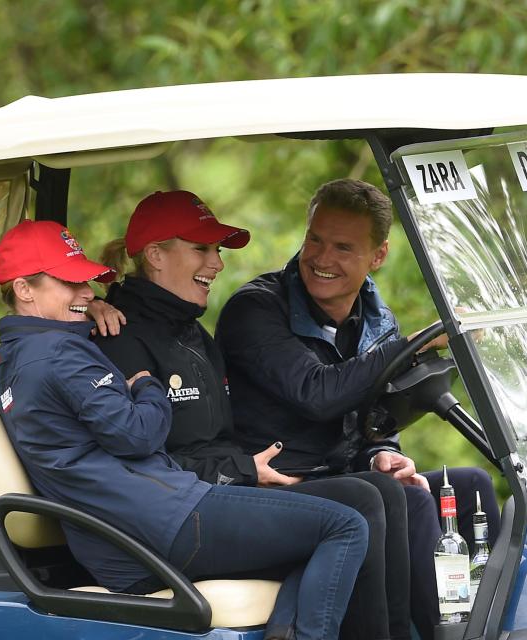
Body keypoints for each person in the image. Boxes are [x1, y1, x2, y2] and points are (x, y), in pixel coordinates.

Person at [0, 219, 369, 640]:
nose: (87, 293)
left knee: (315, 535)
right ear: (25, 289)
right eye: (71, 284)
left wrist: (88, 311)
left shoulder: (16, 354)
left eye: (88, 283)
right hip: (159, 525)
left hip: (133, 532)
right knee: (346, 526)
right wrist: (146, 384)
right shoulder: (59, 355)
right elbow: (137, 435)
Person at [92, 190, 409, 640]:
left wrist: (377, 448)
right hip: (174, 517)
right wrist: (241, 470)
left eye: (216, 250)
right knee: (358, 503)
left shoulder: (191, 334)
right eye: (201, 249)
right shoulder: (117, 335)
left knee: (381, 492)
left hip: (215, 496)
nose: (217, 264)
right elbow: (132, 458)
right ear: (156, 255)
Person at [214, 179, 501, 640]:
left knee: (471, 485)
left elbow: (376, 415)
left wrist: (382, 452)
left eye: (343, 248)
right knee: (407, 499)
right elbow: (318, 393)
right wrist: (409, 346)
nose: (322, 260)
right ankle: (433, 634)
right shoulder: (256, 309)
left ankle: (482, 625)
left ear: (378, 256)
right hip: (276, 487)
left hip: (345, 477)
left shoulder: (376, 319)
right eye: (315, 240)